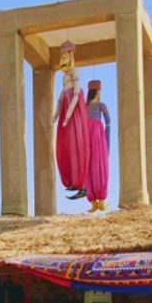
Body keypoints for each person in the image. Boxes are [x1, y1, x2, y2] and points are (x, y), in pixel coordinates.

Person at [55, 41, 90, 198]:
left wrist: (69, 115)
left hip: (73, 110)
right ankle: (71, 179)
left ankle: (79, 182)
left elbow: (76, 94)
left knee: (77, 142)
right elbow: (62, 95)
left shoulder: (75, 71)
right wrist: (57, 113)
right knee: (67, 144)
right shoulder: (65, 76)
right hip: (66, 108)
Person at [79, 79, 111, 212]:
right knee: (87, 165)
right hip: (87, 136)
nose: (99, 94)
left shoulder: (101, 105)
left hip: (97, 136)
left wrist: (107, 140)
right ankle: (92, 200)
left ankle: (101, 199)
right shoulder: (84, 106)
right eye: (98, 92)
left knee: (98, 164)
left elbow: (108, 122)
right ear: (95, 92)